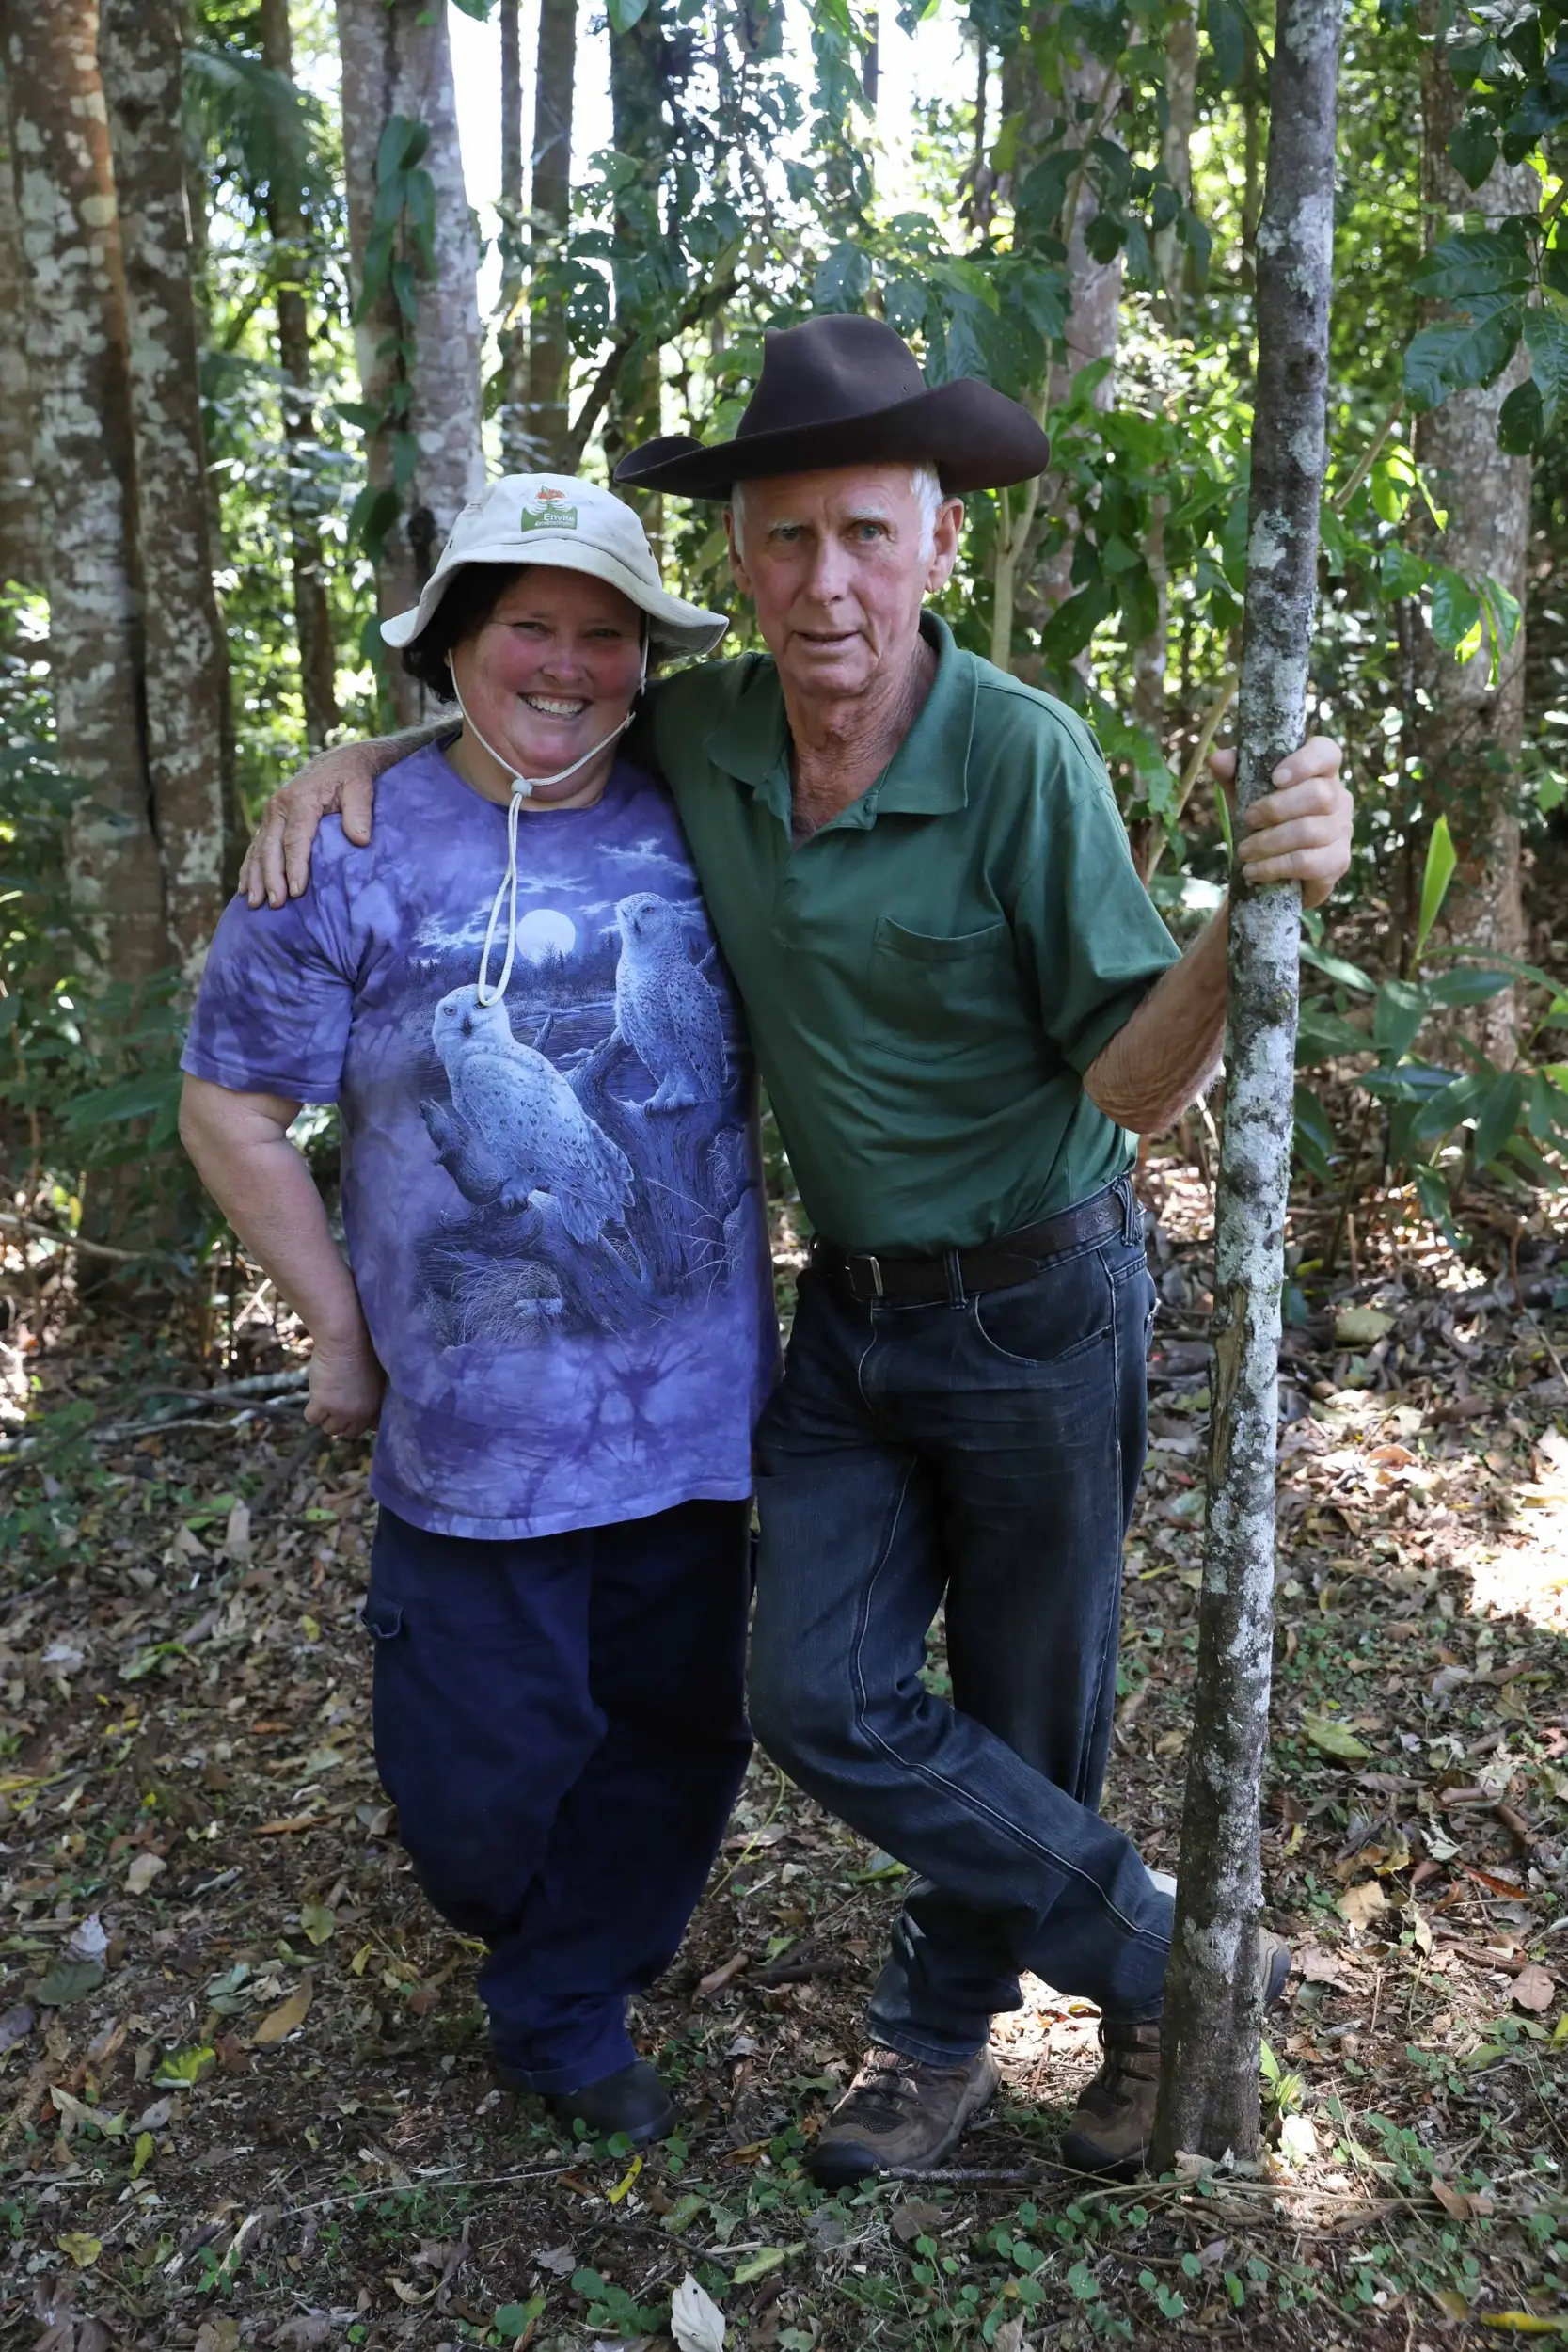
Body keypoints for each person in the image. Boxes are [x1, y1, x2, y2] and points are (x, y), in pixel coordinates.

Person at [240, 315, 1355, 2181]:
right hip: (842, 1310)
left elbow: (1130, 1085)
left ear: (936, 543)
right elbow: (528, 717)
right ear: (742, 565)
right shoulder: (706, 732)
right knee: (810, 1692)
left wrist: (1247, 926)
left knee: (1026, 1707)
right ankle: (1183, 1963)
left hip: (1039, 1296)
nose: (826, 582)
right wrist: (351, 759)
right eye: (785, 540)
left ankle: (941, 2042)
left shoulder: (1018, 756)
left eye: (863, 534)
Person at [181, 477, 779, 2148]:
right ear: (454, 641)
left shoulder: (712, 806)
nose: (567, 664)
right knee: (471, 1788)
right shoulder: (344, 848)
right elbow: (230, 1108)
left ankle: (566, 2003)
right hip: (468, 1443)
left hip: (690, 1414)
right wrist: (337, 1329)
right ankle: (540, 1932)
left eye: (605, 633)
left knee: (675, 1734)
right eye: (528, 625)